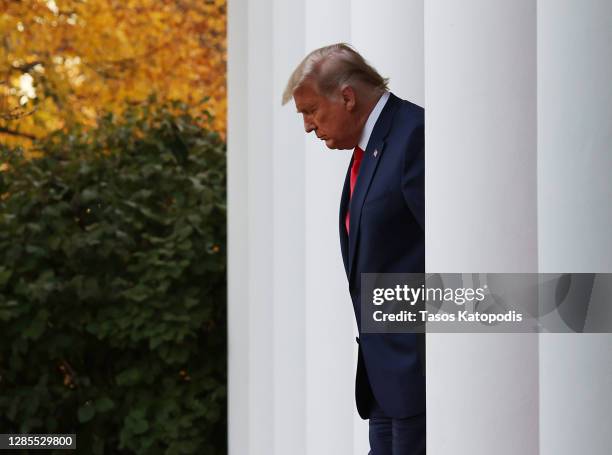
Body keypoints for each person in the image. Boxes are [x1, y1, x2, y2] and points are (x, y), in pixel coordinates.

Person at [282, 43, 425, 455]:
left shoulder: (412, 134)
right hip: (383, 382)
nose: (309, 126)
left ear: (347, 97)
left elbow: (451, 251)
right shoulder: (372, 146)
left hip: (417, 381)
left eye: (311, 111)